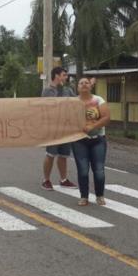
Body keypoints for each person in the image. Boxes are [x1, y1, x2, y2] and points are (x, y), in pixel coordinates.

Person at [72, 77, 110, 207]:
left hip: (98, 140)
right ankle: (84, 197)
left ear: (90, 86)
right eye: (81, 83)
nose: (84, 85)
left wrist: (92, 127)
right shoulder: (72, 102)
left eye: (86, 83)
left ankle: (100, 196)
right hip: (79, 141)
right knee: (82, 170)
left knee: (98, 169)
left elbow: (106, 118)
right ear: (77, 87)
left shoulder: (98, 100)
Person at [41, 67, 77, 190]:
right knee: (51, 154)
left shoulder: (68, 90)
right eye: (64, 75)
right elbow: (45, 109)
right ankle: (46, 180)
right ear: (57, 76)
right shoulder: (47, 91)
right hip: (53, 128)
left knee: (64, 155)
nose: (66, 77)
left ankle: (63, 179)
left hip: (66, 128)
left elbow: (76, 104)